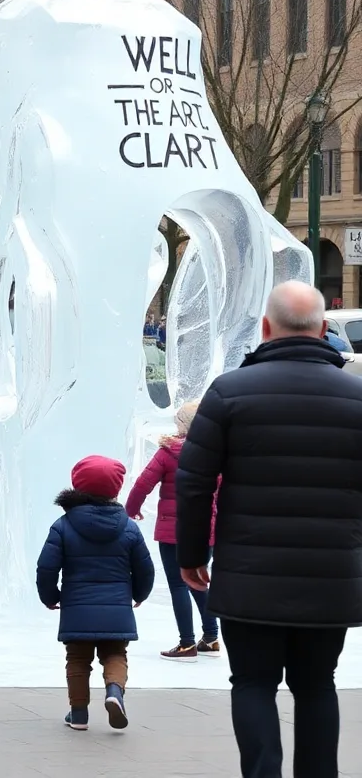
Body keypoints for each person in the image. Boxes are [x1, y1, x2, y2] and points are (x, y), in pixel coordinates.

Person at [176, 280, 362, 778]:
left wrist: (192, 554)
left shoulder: (230, 391)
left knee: (253, 683)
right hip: (331, 572)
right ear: (324, 330)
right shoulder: (357, 396)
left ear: (265, 328)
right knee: (318, 683)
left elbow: (193, 481)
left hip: (249, 571)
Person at [36, 455, 155, 732]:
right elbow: (145, 569)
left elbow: (46, 567)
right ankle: (114, 692)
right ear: (116, 489)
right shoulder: (128, 527)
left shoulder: (63, 526)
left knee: (77, 659)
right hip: (117, 609)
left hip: (77, 608)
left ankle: (78, 714)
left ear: (77, 486)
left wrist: (50, 597)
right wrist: (139, 594)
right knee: (115, 654)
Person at [125, 401, 219, 662]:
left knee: (178, 584)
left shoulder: (168, 452)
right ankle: (211, 638)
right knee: (199, 579)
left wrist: (130, 511)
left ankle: (187, 643)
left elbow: (142, 484)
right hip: (204, 530)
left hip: (173, 531)